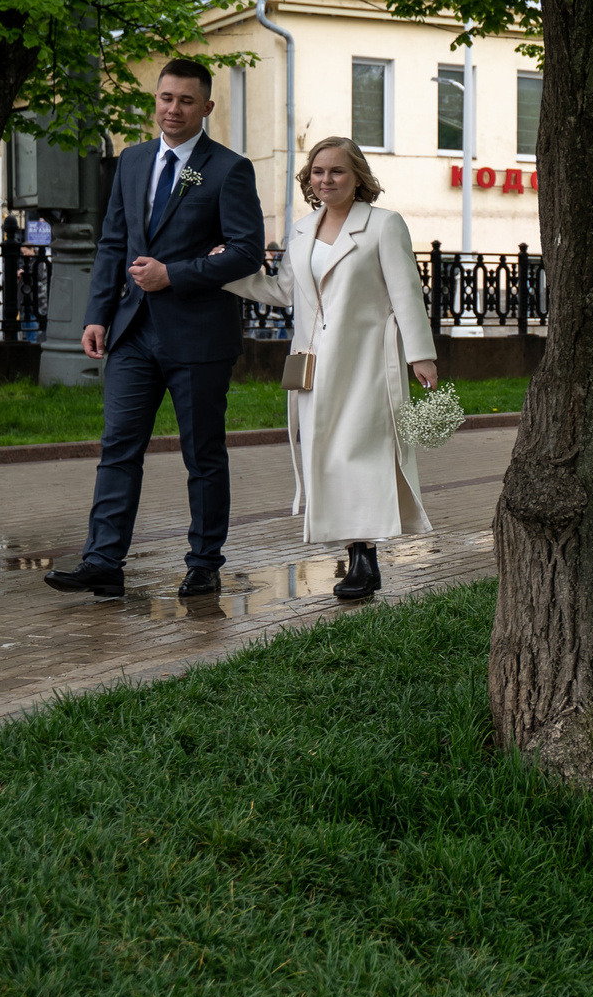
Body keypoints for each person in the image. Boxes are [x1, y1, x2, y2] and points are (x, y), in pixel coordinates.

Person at [45, 60, 264, 599]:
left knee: (202, 454)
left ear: (207, 108)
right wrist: (97, 314)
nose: (173, 109)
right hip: (132, 333)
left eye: (186, 101)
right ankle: (103, 561)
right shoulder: (134, 160)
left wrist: (176, 274)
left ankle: (204, 561)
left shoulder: (227, 169)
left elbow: (247, 252)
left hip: (198, 337)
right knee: (118, 448)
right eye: (165, 98)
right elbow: (114, 242)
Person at [225, 137, 440, 602]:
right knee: (322, 452)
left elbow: (406, 292)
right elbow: (284, 292)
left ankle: (365, 557)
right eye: (318, 171)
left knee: (357, 452)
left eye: (337, 171)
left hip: (365, 361)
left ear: (358, 176)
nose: (326, 179)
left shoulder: (384, 225)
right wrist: (221, 272)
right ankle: (355, 550)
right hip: (312, 364)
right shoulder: (302, 231)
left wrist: (420, 354)